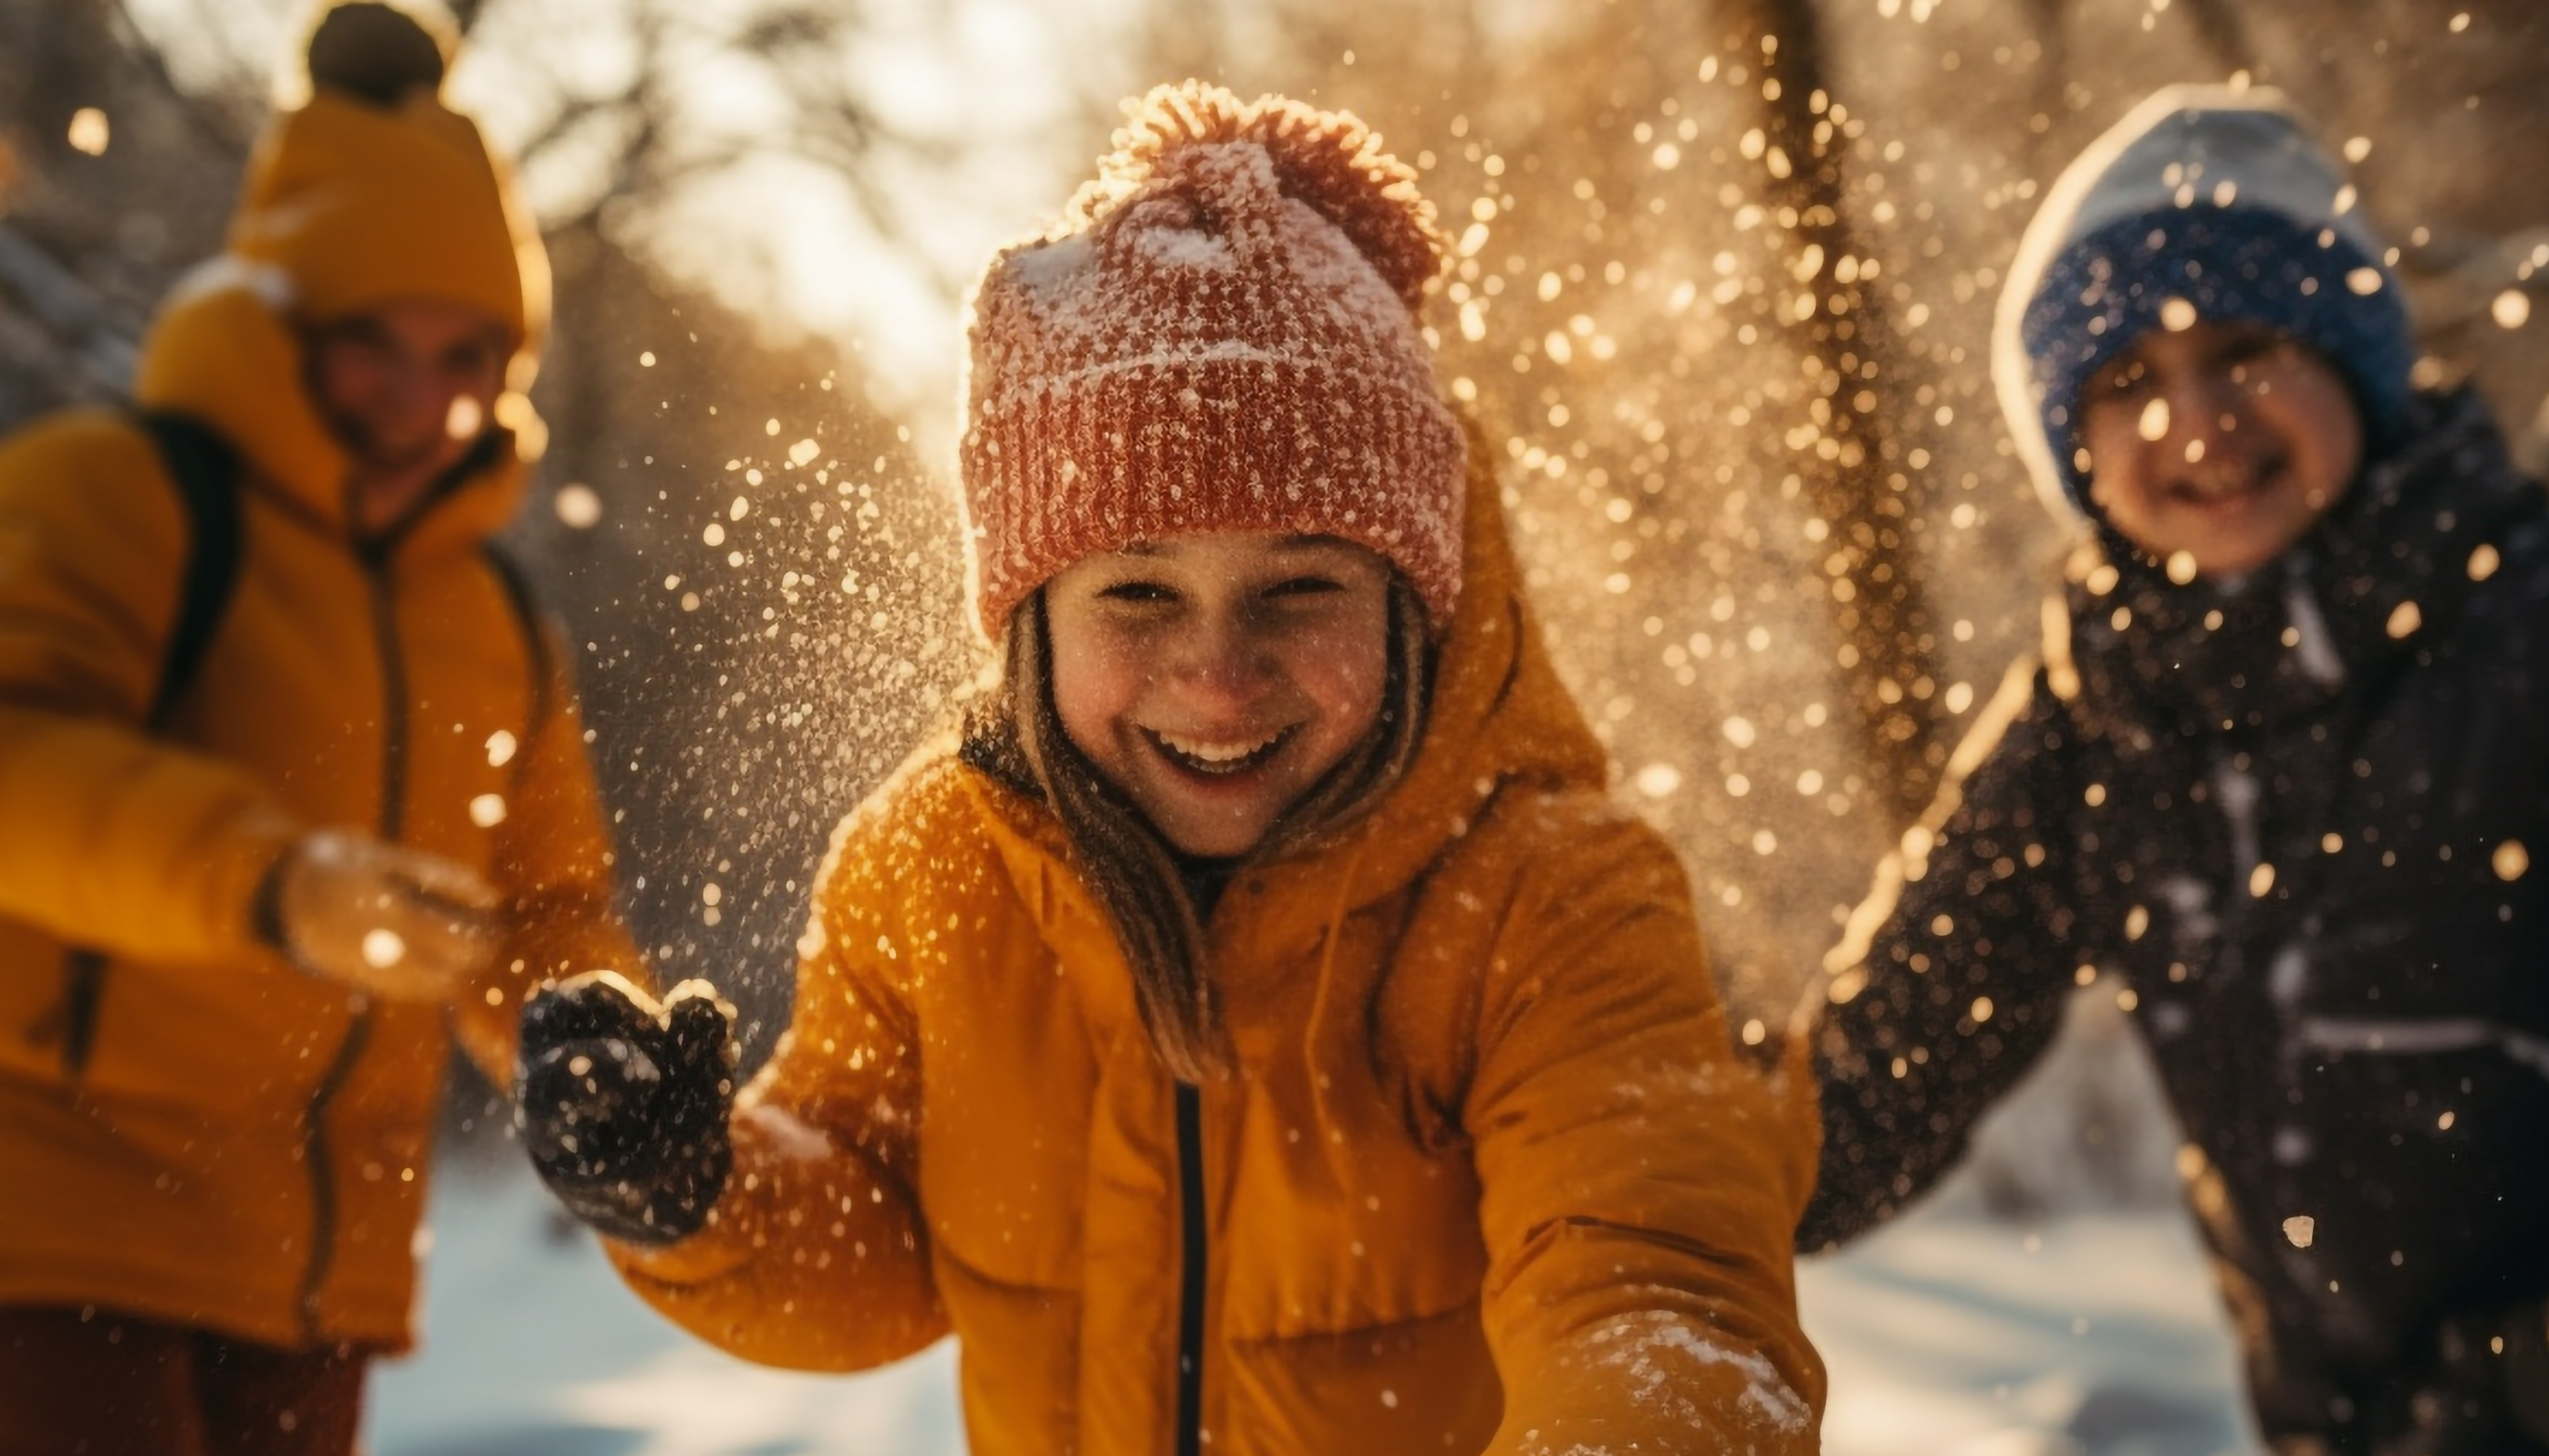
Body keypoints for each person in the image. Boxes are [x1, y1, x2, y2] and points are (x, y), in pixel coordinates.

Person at [518, 82, 1823, 1455]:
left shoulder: (1550, 896)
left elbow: (1650, 1284)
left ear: (1413, 604)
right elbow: (879, 1230)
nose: (1217, 673)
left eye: (1299, 587)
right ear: (1030, 618)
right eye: (1138, 594)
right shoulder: (930, 871)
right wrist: (704, 1192)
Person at [1794, 85, 2549, 1453]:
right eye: (2127, 381)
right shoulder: (2104, 721)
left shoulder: (2512, 634)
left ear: (2356, 365)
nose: (2193, 422)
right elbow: (1852, 1101)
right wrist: (1606, 1135)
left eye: (2247, 348)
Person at [0, 6, 637, 1453]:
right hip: (51, 1236)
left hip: (315, 1287)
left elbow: (542, 911)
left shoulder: (491, 622)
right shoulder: (120, 496)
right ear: (280, 323)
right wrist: (273, 883)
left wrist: (602, 1051)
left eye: (469, 352)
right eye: (375, 348)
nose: (424, 400)